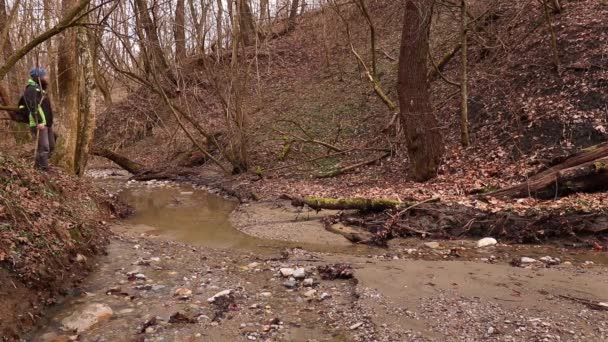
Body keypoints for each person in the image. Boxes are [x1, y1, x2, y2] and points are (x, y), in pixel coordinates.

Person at [18, 67, 55, 171]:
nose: (46, 77)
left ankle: (39, 165)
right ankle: (43, 169)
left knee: (51, 146)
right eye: (44, 76)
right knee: (44, 147)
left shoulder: (41, 89)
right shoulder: (31, 90)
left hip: (47, 124)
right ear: (38, 77)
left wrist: (48, 121)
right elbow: (32, 106)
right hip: (39, 123)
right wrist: (39, 121)